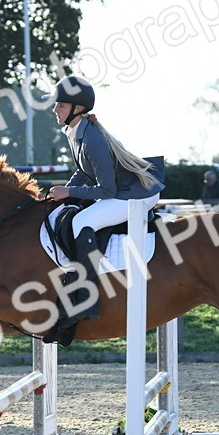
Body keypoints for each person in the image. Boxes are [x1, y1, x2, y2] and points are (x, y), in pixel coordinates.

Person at [46, 74, 164, 324]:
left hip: (137, 195)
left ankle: (85, 298)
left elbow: (106, 191)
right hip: (123, 191)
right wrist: (67, 190)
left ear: (78, 109)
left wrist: (68, 193)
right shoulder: (77, 130)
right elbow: (84, 170)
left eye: (61, 105)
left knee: (81, 223)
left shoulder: (92, 139)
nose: (55, 109)